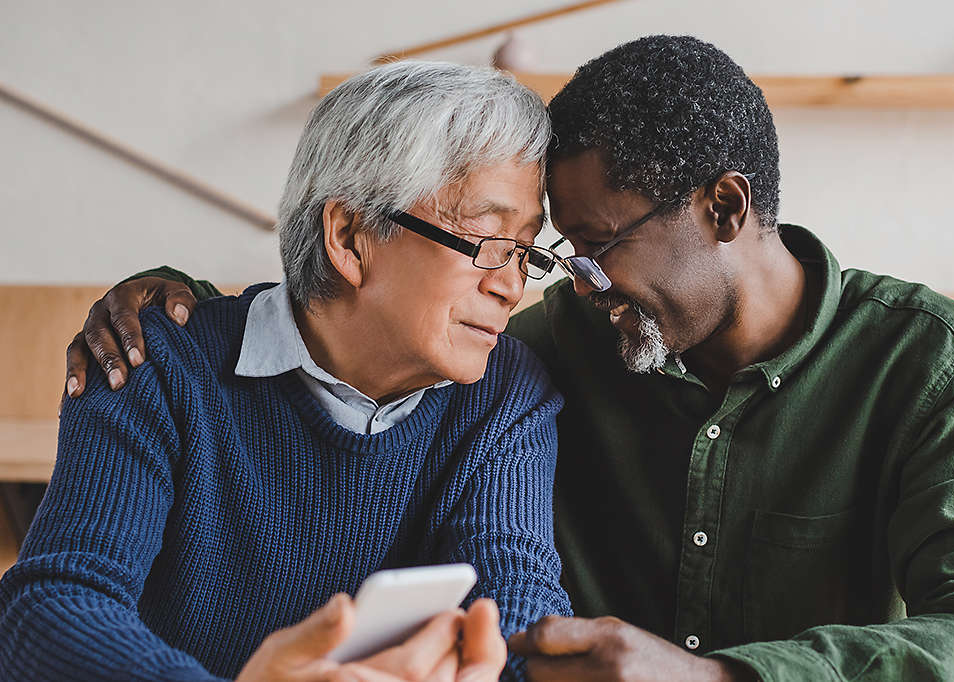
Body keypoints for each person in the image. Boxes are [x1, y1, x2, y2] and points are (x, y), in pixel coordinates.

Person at [60, 35, 954, 681]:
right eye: (518, 249)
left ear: (725, 210)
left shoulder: (926, 361)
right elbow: (60, 602)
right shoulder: (539, 347)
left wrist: (719, 677)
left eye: (577, 249)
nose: (548, 285)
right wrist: (163, 299)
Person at [0, 61, 574, 681]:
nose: (511, 285)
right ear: (350, 237)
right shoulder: (155, 362)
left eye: (524, 250)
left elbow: (520, 600)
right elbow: (51, 607)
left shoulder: (506, 392)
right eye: (487, 241)